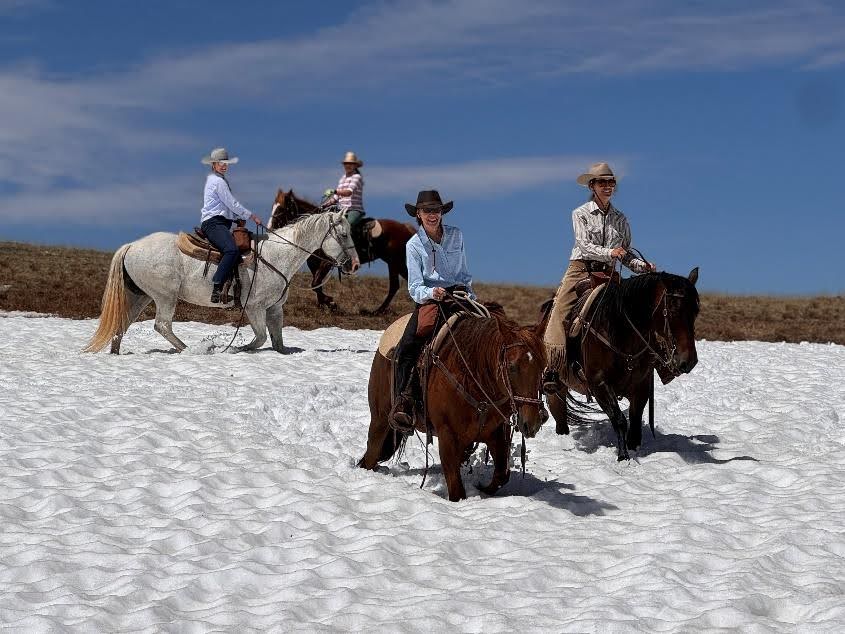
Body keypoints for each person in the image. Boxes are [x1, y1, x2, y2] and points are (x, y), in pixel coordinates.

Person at [543, 162, 656, 392]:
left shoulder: (621, 219)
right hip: (581, 269)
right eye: (602, 182)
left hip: (609, 273)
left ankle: (656, 363)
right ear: (592, 186)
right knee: (559, 310)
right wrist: (609, 252)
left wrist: (641, 266)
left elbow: (625, 254)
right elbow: (583, 246)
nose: (607, 186)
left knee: (639, 311)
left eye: (611, 182)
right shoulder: (580, 214)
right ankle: (553, 368)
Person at [390, 190, 476, 431]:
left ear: (442, 213)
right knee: (406, 349)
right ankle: (404, 402)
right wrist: (432, 293)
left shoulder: (456, 236)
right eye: (427, 211)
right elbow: (414, 287)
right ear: (418, 214)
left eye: (436, 210)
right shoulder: (413, 245)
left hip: (460, 296)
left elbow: (465, 273)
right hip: (432, 300)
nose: (432, 215)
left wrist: (469, 294)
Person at [199, 147, 263, 303]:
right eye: (220, 163)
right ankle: (217, 287)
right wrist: (250, 215)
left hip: (219, 222)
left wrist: (235, 219)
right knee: (231, 250)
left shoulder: (218, 180)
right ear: (213, 164)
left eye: (225, 163)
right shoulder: (217, 181)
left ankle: (234, 286)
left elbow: (224, 207)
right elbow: (231, 203)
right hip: (213, 224)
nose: (224, 165)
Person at [324, 151, 366, 235]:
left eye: (350, 164)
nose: (348, 165)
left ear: (355, 165)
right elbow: (336, 197)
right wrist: (325, 204)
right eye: (346, 164)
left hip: (354, 210)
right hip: (342, 210)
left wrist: (334, 191)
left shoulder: (357, 177)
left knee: (345, 226)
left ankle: (350, 247)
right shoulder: (342, 179)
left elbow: (349, 192)